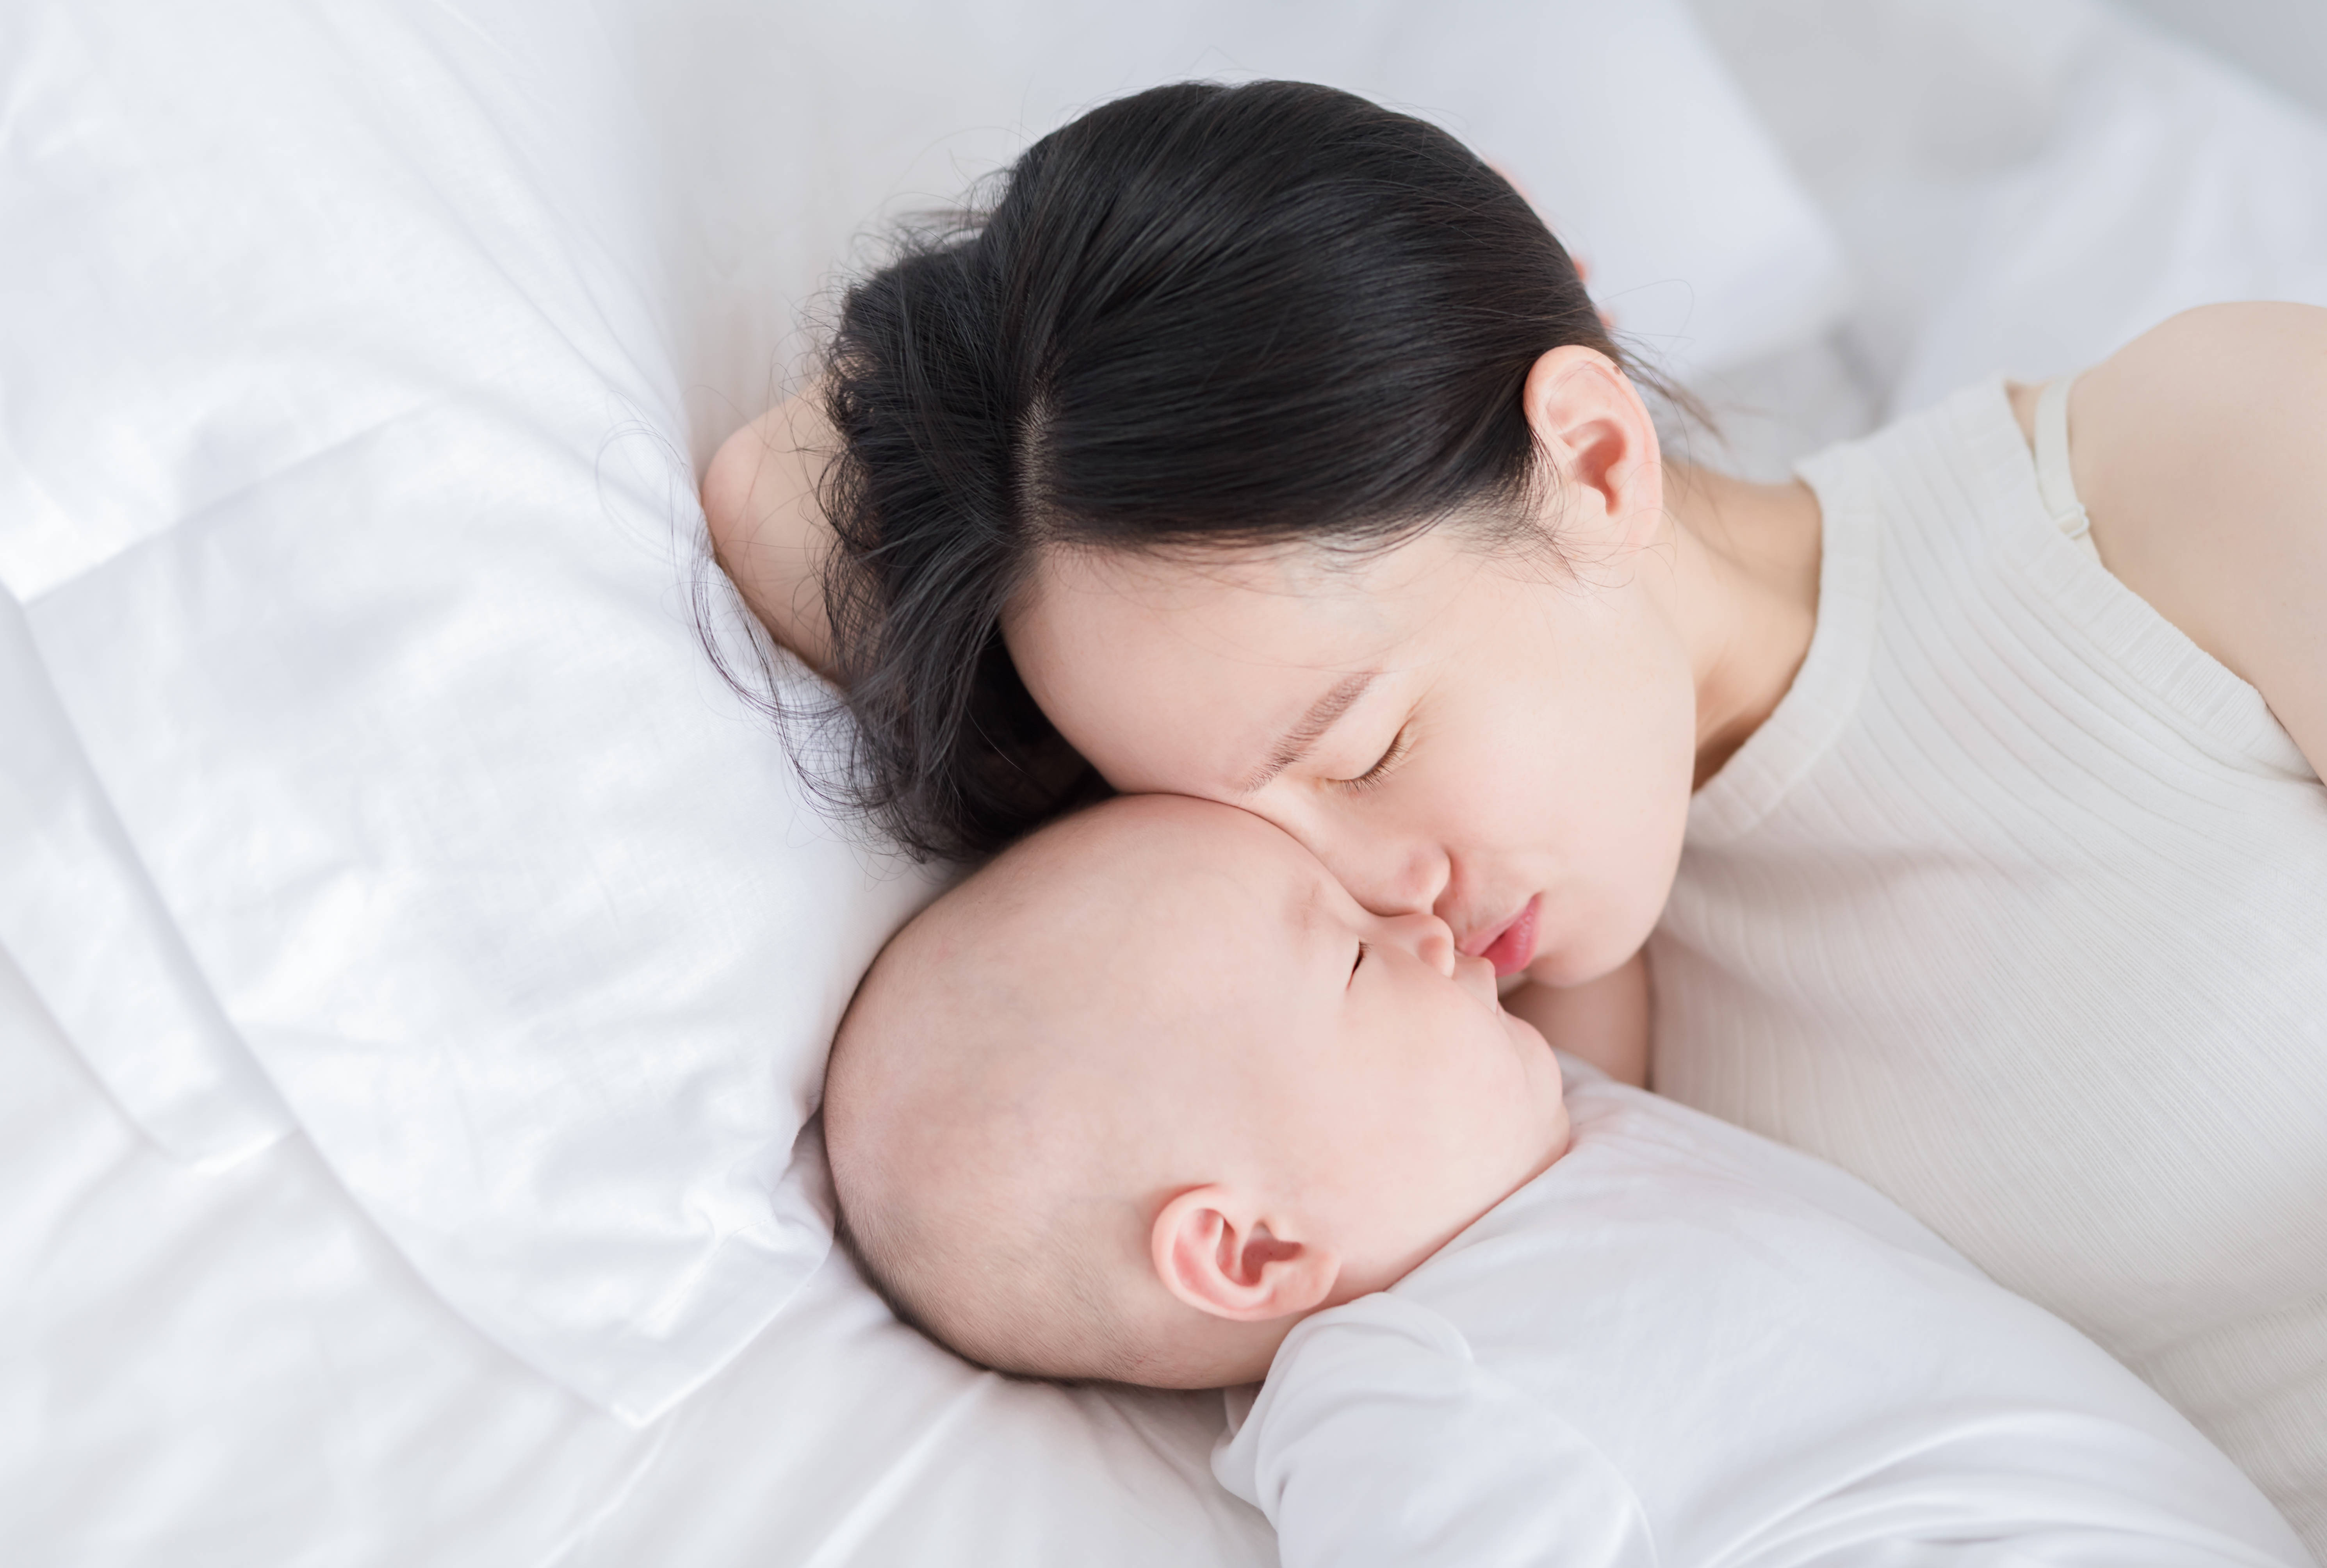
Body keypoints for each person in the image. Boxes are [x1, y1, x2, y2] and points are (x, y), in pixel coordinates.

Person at [705, 80, 2327, 1539]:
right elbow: (771, 509)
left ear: (1600, 459)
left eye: (1359, 751)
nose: (1382, 898)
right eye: (1237, 821)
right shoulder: (1520, 1075)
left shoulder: (2183, 477)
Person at [824, 793, 2312, 1566]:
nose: (1417, 926)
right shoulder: (1402, 1390)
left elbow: (1589, 1013)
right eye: (1349, 952)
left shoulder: (1512, 1146)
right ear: (1255, 1254)